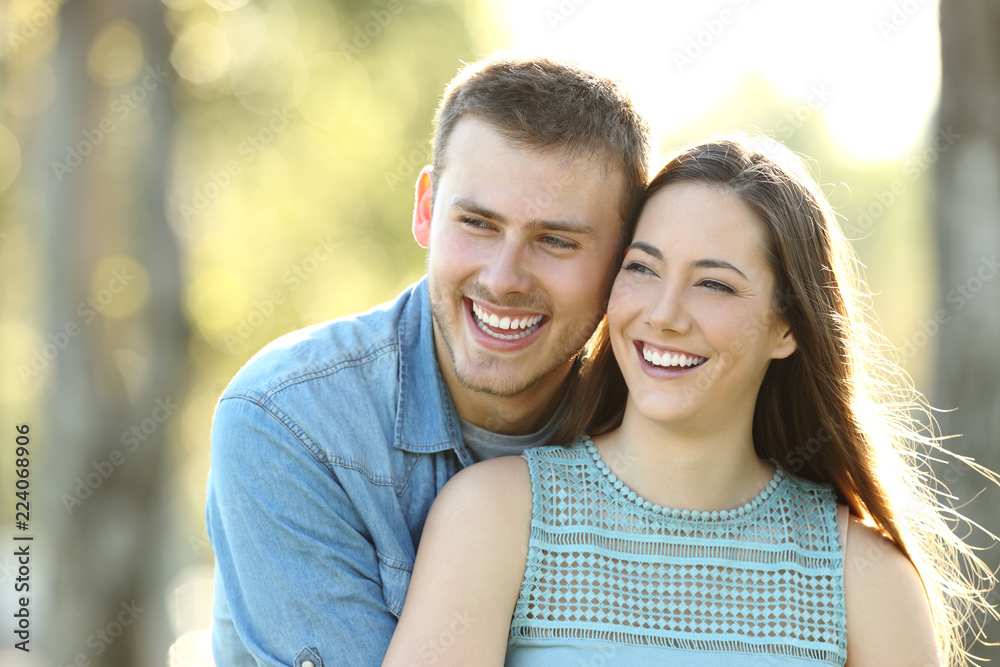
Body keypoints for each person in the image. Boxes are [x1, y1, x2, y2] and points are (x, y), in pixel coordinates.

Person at [383, 135, 996, 666]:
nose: (665, 315)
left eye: (714, 284)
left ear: (787, 327)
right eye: (643, 269)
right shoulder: (495, 516)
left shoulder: (867, 578)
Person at [205, 54, 651, 666]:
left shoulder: (661, 422)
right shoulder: (289, 420)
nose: (503, 278)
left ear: (624, 258)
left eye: (555, 240)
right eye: (477, 223)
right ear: (425, 209)